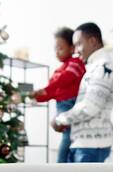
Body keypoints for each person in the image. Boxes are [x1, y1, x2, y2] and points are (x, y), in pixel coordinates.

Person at [53, 22, 113, 163]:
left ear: (92, 41)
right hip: (85, 144)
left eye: (78, 44)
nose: (75, 50)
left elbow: (90, 107)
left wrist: (60, 119)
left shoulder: (103, 67)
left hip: (90, 146)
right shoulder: (95, 67)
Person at [30, 27, 86, 163]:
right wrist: (39, 97)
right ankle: (64, 163)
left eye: (60, 48)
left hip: (70, 103)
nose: (57, 52)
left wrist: (45, 89)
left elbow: (65, 79)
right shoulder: (58, 70)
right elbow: (53, 93)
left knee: (68, 135)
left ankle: (61, 163)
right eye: (55, 48)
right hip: (62, 104)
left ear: (72, 48)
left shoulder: (75, 63)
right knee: (68, 134)